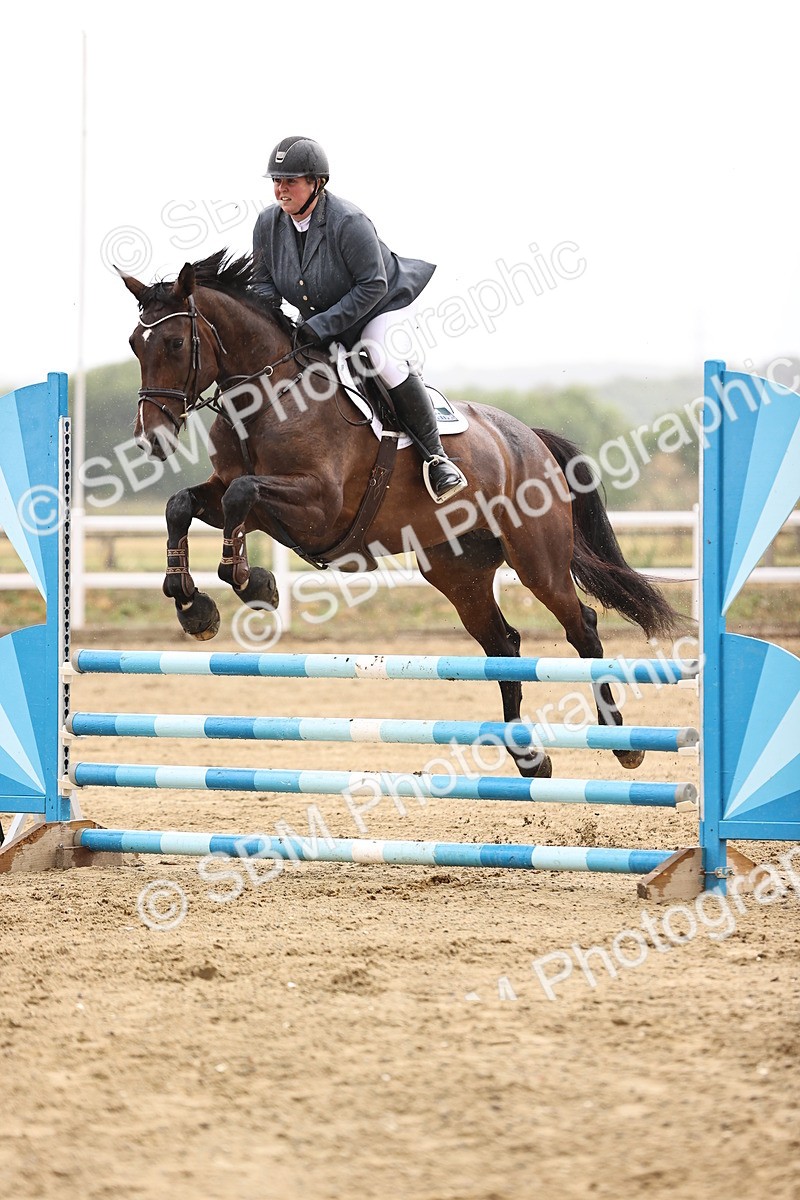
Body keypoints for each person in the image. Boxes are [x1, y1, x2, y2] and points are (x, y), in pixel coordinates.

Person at [250, 136, 467, 501]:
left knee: (380, 355)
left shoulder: (348, 221)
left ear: (316, 182)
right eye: (276, 181)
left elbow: (373, 285)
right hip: (328, 314)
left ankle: (437, 459)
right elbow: (263, 285)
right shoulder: (267, 225)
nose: (281, 190)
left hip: (383, 303)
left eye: (290, 181)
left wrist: (318, 326)